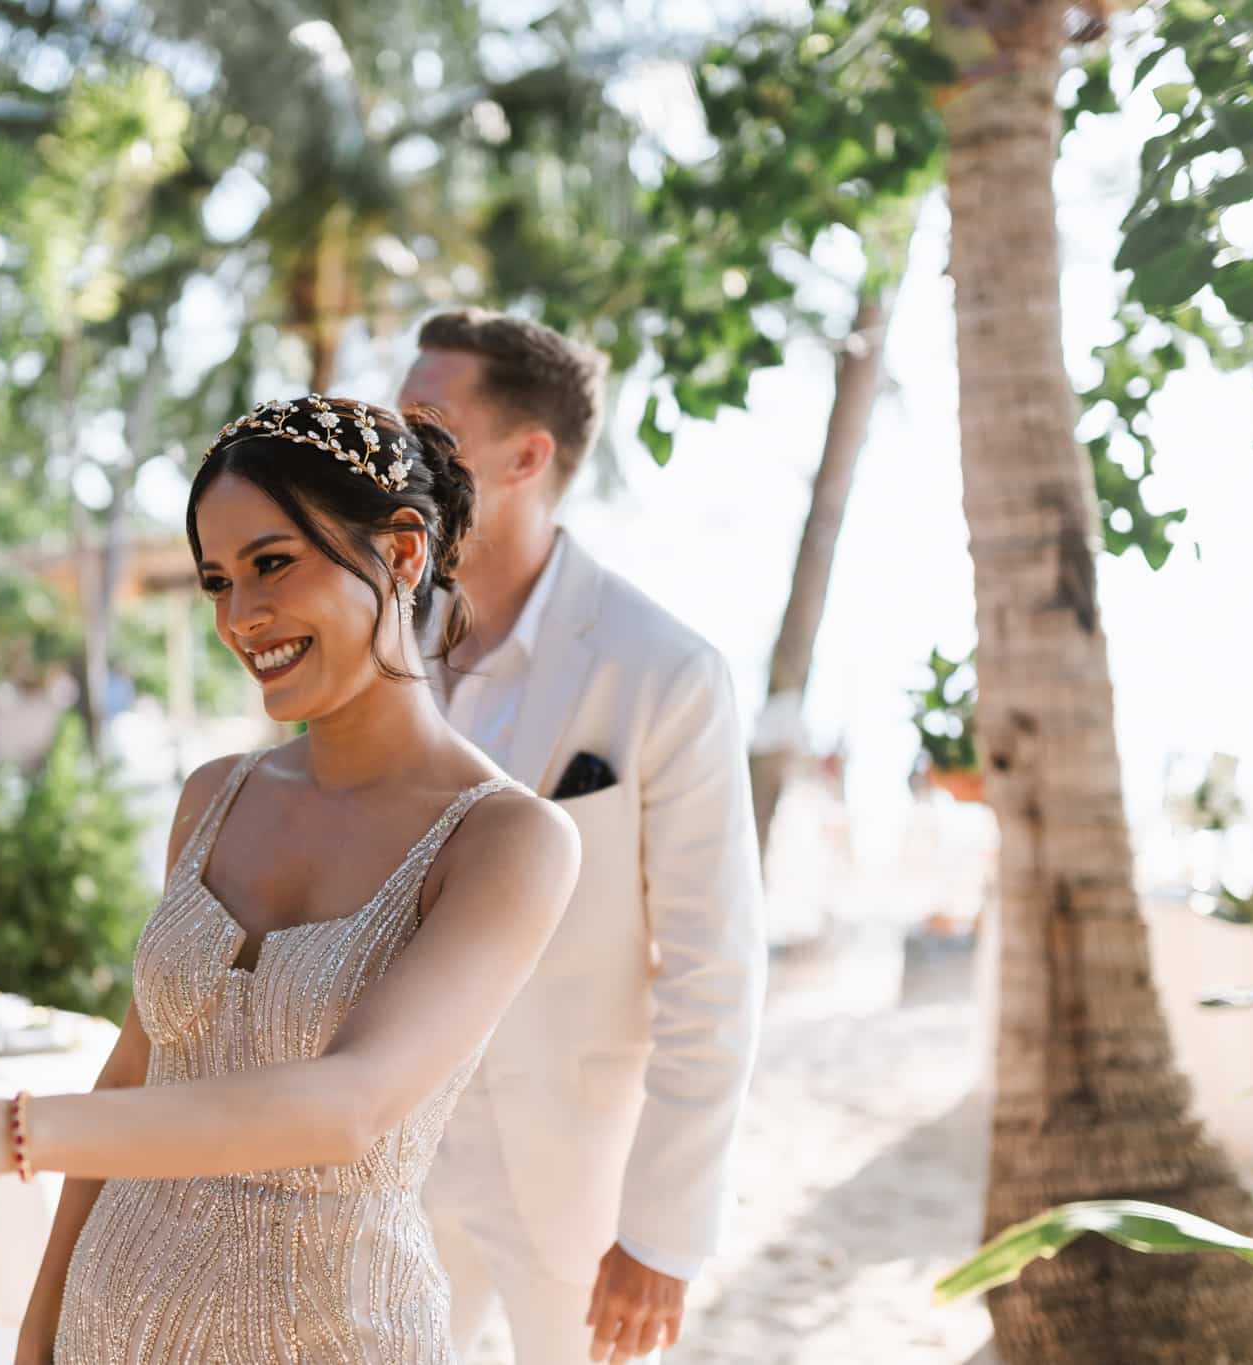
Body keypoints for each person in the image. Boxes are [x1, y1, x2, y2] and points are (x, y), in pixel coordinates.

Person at [0, 396, 583, 1365]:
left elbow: (347, 1106)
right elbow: (135, 1071)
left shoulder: (507, 840)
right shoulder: (212, 796)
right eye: (215, 581)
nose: (238, 617)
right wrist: (39, 1330)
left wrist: (2, 1133)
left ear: (400, 551)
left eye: (271, 565)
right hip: (113, 1326)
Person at [398, 310, 766, 1365]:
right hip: (391, 1157)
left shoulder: (665, 671)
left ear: (524, 456)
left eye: (427, 424)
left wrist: (663, 1232)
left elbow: (713, 970)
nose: (393, 453)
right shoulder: (377, 643)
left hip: (575, 1181)